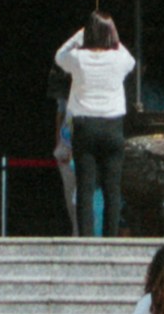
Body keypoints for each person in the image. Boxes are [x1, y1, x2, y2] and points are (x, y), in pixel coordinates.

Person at [54, 13, 139, 239]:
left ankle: (87, 237)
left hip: (85, 126)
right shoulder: (118, 58)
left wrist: (77, 36)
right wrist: (115, 38)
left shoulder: (78, 59)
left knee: (85, 187)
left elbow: (59, 56)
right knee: (112, 188)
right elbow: (131, 61)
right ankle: (110, 237)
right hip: (112, 126)